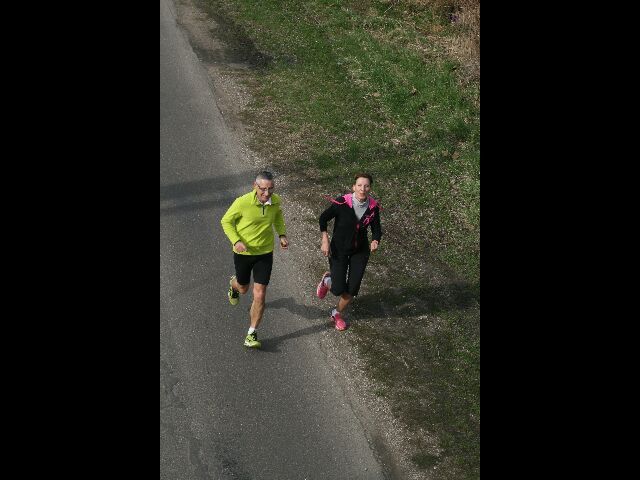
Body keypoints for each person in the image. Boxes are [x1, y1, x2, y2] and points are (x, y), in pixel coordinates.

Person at [221, 171, 289, 348]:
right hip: (244, 253)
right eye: (263, 189)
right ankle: (233, 285)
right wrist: (236, 241)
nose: (267, 193)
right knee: (243, 288)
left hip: (264, 254)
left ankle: (252, 333)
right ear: (255, 186)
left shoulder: (275, 201)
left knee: (260, 294)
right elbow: (226, 221)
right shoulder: (242, 202)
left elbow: (278, 216)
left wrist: (281, 234)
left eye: (271, 189)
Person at [316, 173, 382, 330]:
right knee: (338, 288)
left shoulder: (373, 207)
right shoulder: (342, 203)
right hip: (339, 249)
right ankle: (327, 280)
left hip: (360, 251)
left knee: (352, 289)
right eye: (359, 185)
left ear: (370, 188)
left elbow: (377, 229)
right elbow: (323, 218)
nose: (362, 189)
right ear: (354, 187)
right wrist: (325, 239)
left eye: (366, 186)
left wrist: (375, 240)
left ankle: (336, 313)